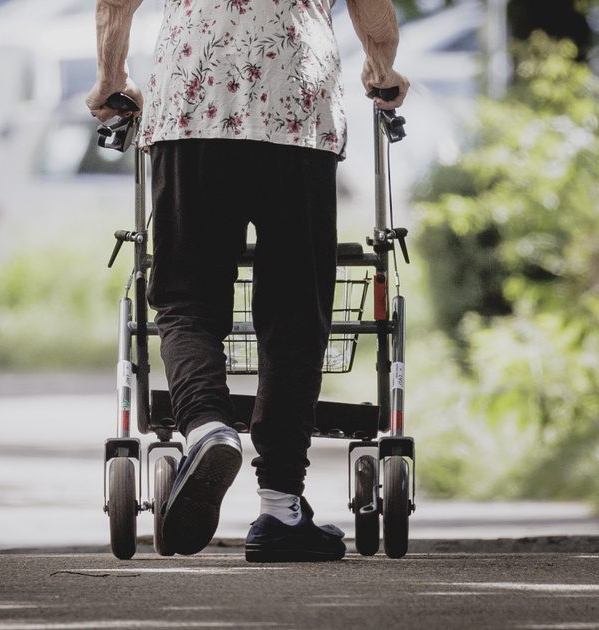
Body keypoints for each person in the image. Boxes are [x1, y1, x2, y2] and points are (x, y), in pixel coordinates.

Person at [87, 0, 409, 561]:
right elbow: (371, 7)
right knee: (295, 312)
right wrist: (382, 69)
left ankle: (207, 425)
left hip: (190, 102)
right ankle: (281, 507)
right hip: (295, 107)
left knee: (186, 297)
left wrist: (111, 78)